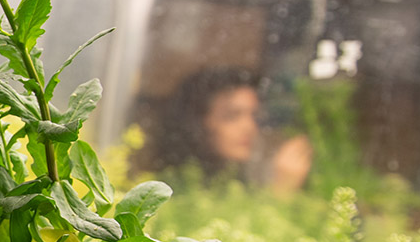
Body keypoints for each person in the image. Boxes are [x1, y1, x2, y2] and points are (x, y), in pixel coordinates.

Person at [129, 67, 310, 194]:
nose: (250, 128)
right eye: (231, 116)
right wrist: (281, 192)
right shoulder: (172, 189)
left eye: (255, 116)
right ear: (197, 123)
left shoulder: (233, 185)